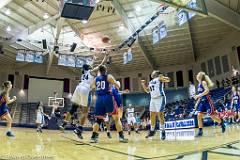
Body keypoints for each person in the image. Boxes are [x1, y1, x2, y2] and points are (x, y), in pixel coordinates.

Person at [59, 53, 108, 139]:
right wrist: (105, 56)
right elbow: (100, 66)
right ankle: (79, 129)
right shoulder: (91, 72)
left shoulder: (84, 73)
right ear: (89, 68)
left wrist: (93, 58)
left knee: (73, 108)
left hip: (78, 88)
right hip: (85, 90)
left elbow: (90, 66)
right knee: (85, 112)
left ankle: (64, 123)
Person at [90, 65, 128, 143]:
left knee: (98, 120)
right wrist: (112, 85)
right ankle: (121, 137)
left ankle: (93, 137)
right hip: (108, 97)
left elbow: (92, 87)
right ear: (106, 70)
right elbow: (117, 86)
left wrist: (98, 86)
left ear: (99, 71)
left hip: (99, 99)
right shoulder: (109, 76)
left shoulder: (96, 79)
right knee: (117, 119)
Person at [194, 71, 226, 137]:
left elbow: (207, 91)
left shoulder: (203, 82)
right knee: (199, 115)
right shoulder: (199, 85)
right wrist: (197, 103)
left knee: (212, 117)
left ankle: (221, 123)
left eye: (198, 74)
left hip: (208, 101)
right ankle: (200, 131)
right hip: (202, 102)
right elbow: (201, 96)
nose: (197, 75)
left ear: (200, 76)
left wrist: (198, 95)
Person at [141, 71, 170, 140]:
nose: (151, 73)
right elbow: (147, 91)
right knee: (152, 115)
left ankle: (163, 131)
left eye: (153, 72)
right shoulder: (150, 82)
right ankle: (152, 131)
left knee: (160, 114)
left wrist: (163, 77)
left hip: (160, 98)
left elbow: (168, 80)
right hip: (153, 99)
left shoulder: (159, 78)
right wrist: (143, 85)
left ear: (156, 74)